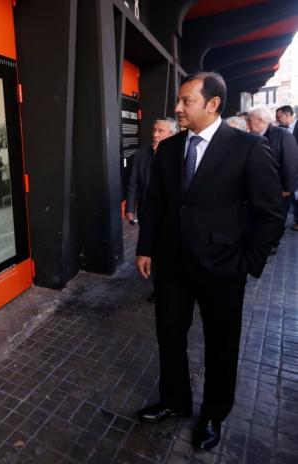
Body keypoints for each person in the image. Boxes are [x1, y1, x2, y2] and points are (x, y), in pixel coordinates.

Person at [136, 72, 284, 451]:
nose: (177, 108)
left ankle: (214, 414)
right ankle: (174, 400)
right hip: (171, 266)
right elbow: (155, 204)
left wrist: (247, 262)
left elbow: (271, 214)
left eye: (186, 101)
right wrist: (146, 247)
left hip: (222, 269)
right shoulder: (169, 149)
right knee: (170, 335)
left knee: (221, 344)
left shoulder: (247, 147)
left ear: (213, 104)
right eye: (179, 101)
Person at [125, 117, 178, 302]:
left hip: (171, 216)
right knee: (151, 249)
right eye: (154, 130)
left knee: (169, 252)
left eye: (160, 131)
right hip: (148, 213)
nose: (155, 134)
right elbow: (133, 182)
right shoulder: (141, 154)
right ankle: (159, 288)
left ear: (173, 134)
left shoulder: (179, 155)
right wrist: (130, 207)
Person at [248, 105, 298, 249]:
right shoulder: (254, 135)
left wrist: (287, 187)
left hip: (280, 189)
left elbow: (290, 161)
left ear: (261, 120)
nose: (248, 124)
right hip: (261, 187)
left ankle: (272, 244)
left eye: (250, 120)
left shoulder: (282, 134)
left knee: (277, 217)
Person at [276, 104, 298, 231]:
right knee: (292, 195)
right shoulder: (279, 129)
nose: (278, 119)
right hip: (288, 168)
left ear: (288, 115)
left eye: (280, 117)